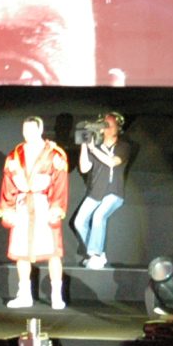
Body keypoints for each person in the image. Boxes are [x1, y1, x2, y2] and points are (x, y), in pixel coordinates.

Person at [0, 116, 70, 310]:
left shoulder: (54, 153)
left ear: (40, 130)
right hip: (22, 205)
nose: (28, 133)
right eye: (25, 130)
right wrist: (8, 209)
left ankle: (56, 295)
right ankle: (25, 295)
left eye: (31, 130)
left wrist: (56, 207)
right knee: (21, 253)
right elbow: (8, 183)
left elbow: (60, 182)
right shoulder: (15, 155)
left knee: (53, 252)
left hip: (43, 204)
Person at [73, 111, 134, 269]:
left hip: (113, 193)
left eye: (111, 125)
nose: (107, 128)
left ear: (118, 128)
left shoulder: (123, 146)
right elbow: (85, 167)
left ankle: (96, 254)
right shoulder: (96, 147)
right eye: (104, 125)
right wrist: (85, 146)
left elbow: (113, 162)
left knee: (99, 216)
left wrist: (93, 149)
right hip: (95, 192)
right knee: (79, 221)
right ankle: (95, 253)